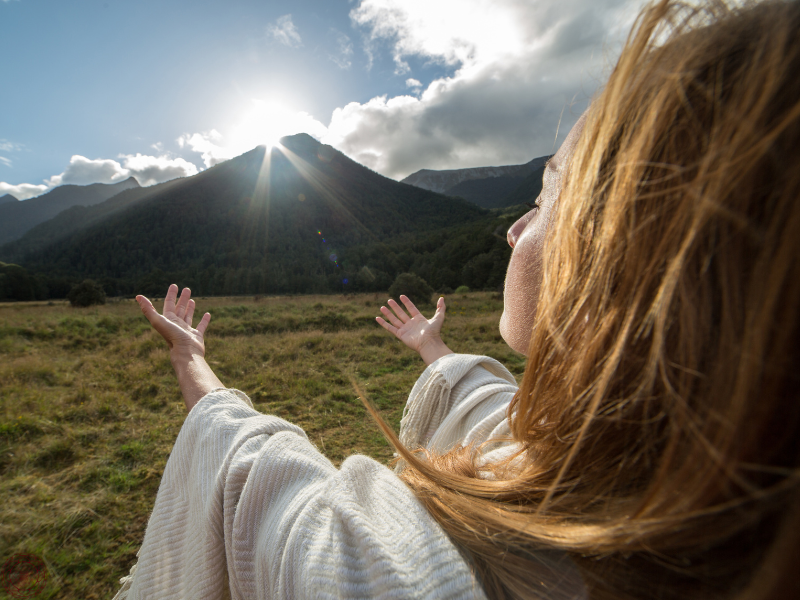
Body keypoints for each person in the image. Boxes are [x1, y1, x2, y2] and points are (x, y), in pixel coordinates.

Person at [114, 1, 800, 598]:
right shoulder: (715, 505)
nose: (512, 225)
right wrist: (432, 349)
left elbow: (252, 488)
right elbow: (491, 408)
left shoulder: (419, 569)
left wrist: (192, 363)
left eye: (544, 195)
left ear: (630, 256)